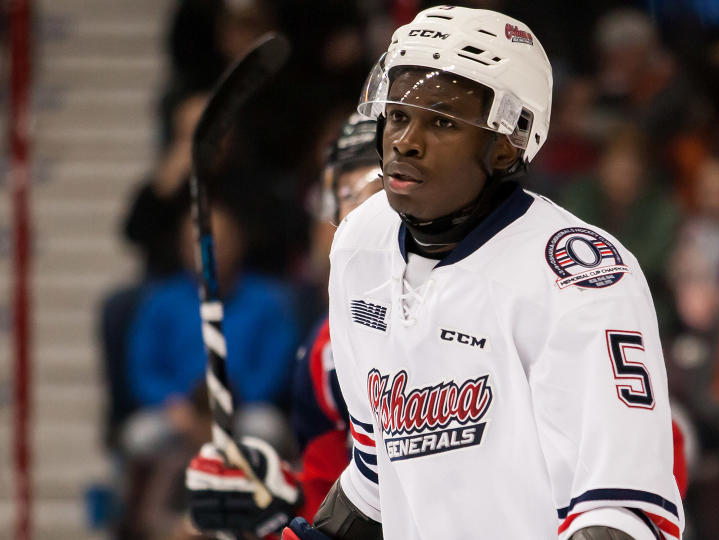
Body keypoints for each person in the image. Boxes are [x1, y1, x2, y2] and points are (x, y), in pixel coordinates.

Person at [188, 7, 683, 540]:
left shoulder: (577, 275)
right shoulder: (361, 244)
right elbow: (378, 481)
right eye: (398, 115)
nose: (405, 141)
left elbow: (625, 516)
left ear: (505, 145)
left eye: (442, 121)